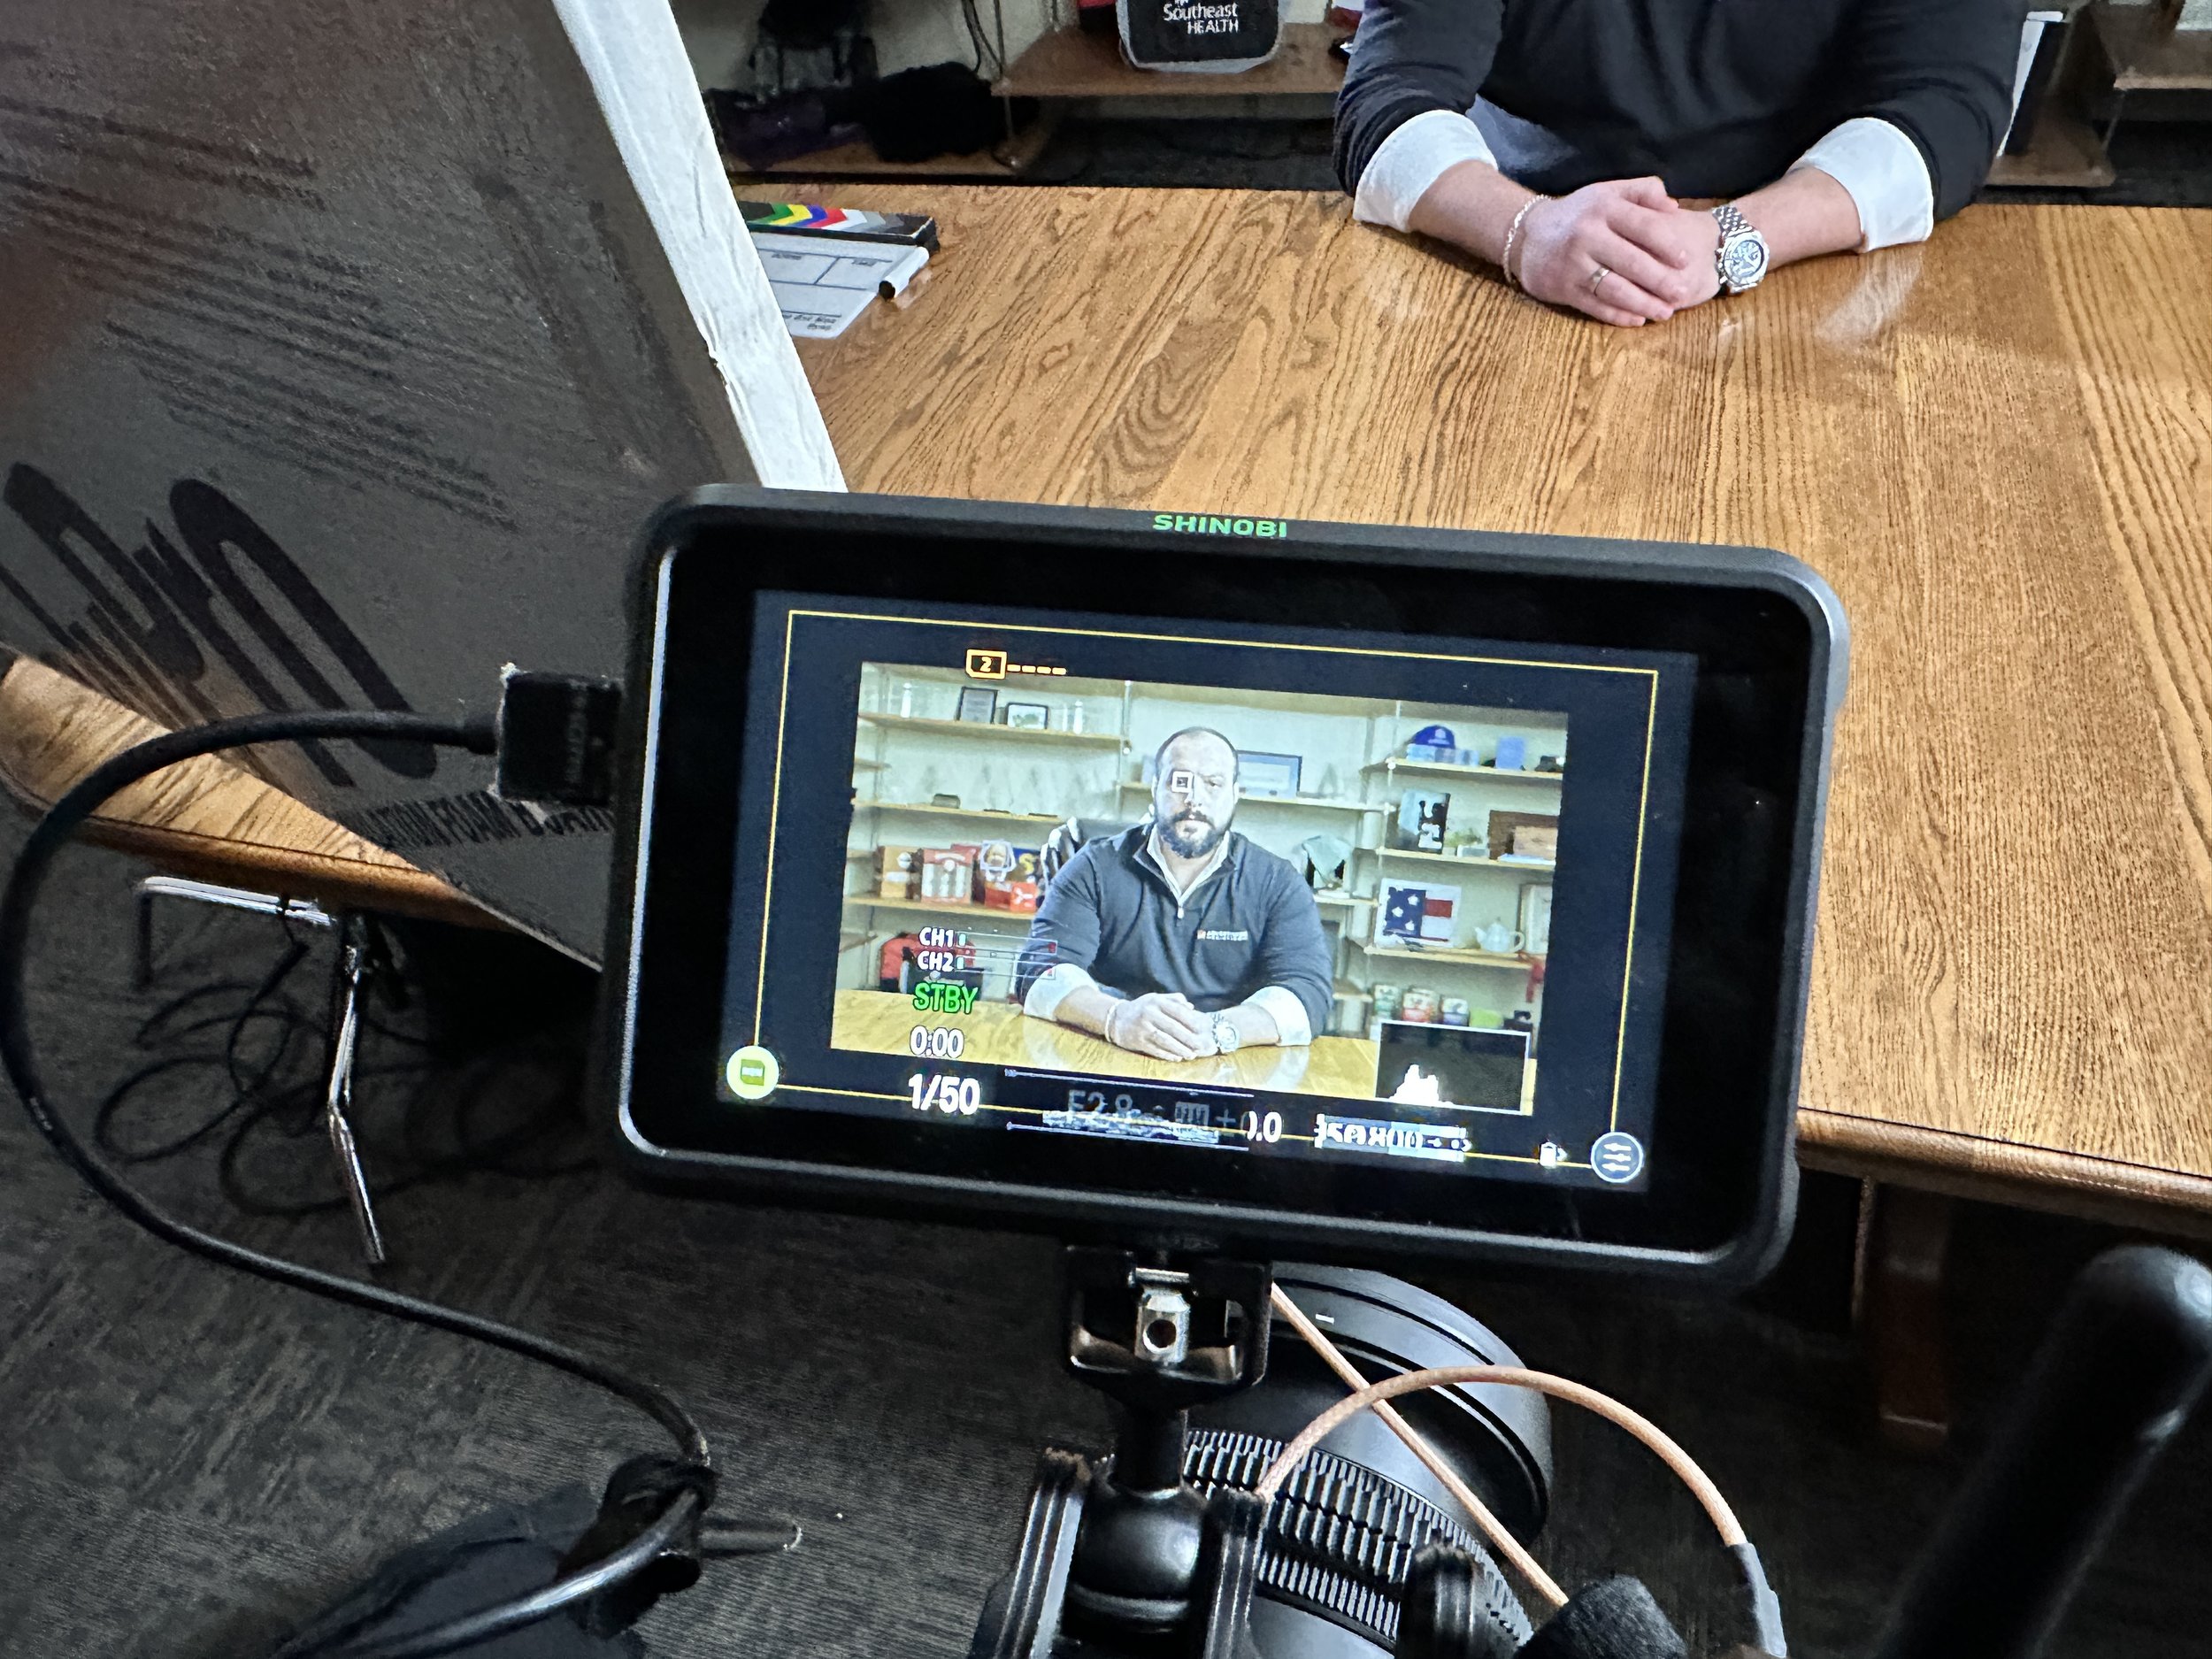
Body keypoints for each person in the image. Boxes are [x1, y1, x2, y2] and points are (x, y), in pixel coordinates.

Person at [1334, 0, 2026, 326]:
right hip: (1506, 251)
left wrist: (1731, 239)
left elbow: (1948, 111)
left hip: (1813, 261)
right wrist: (1528, 233)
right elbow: (1388, 101)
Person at [1017, 727, 1334, 1063]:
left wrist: (1216, 1030)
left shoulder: (1277, 881)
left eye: (1213, 783)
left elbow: (1306, 992)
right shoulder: (1093, 867)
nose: (1194, 799)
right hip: (1105, 1051)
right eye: (1179, 782)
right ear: (1155, 788)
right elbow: (1040, 969)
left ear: (1235, 794)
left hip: (1228, 1062)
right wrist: (1117, 1018)